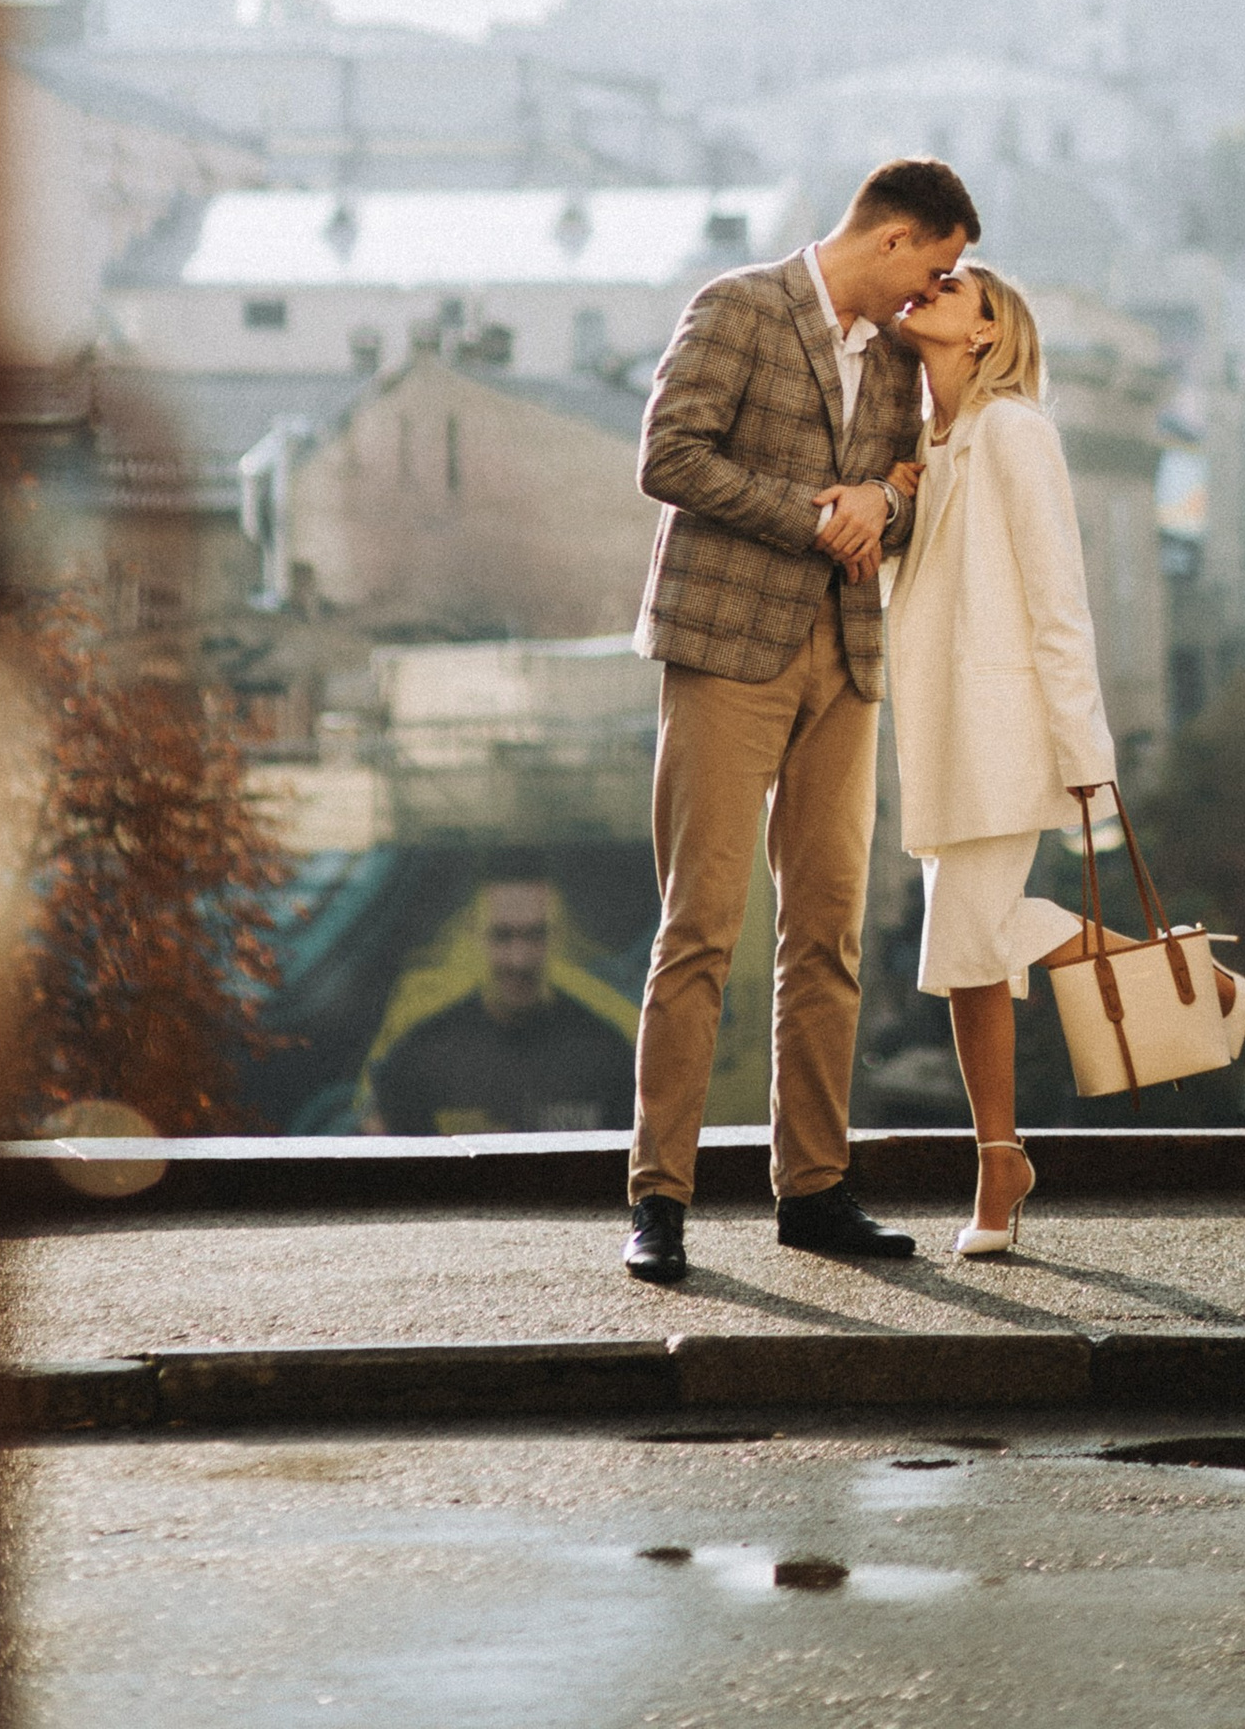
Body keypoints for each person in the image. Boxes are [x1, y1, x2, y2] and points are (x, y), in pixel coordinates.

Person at [621, 157, 982, 1285]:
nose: (934, 290)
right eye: (934, 266)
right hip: (728, 650)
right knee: (700, 928)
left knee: (829, 931)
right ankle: (659, 1199)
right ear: (891, 239)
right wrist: (814, 519)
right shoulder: (738, 306)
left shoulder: (901, 354)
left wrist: (884, 500)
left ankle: (815, 1190)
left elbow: (920, 491)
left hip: (848, 659)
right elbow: (668, 457)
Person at [883, 261, 1117, 1261]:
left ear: (985, 331)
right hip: (939, 733)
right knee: (964, 959)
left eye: (952, 286)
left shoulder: (1016, 430)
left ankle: (997, 1162)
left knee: (968, 942)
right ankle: (1002, 1153)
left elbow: (1060, 601)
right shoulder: (919, 442)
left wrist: (1083, 749)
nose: (927, 289)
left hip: (1003, 727)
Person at [365, 872, 635, 1136]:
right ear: (473, 934)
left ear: (558, 935)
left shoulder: (608, 1056)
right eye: (501, 936)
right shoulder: (419, 1060)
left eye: (535, 935)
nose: (519, 960)